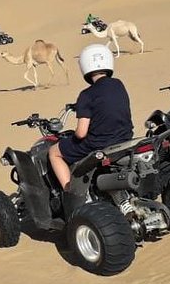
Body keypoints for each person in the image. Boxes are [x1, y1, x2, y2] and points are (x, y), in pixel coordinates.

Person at [49, 44, 134, 191]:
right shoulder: (118, 84)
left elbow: (81, 133)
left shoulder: (86, 95)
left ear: (84, 65)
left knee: (54, 152)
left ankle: (70, 192)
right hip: (125, 138)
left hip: (99, 144)